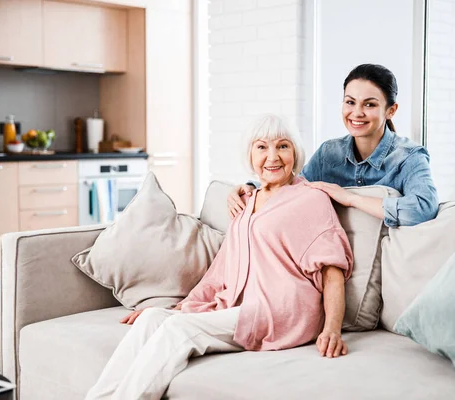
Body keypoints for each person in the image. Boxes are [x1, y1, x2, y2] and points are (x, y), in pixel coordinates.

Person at [85, 114, 354, 400]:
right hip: (241, 306)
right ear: (250, 155)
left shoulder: (310, 198)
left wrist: (332, 329)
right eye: (262, 147)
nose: (273, 156)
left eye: (283, 146)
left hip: (281, 310)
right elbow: (221, 270)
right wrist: (181, 307)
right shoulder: (246, 202)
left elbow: (332, 271)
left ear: (295, 153)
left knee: (177, 330)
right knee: (152, 318)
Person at [228, 64, 439, 228]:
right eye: (350, 102)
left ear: (391, 110)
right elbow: (292, 188)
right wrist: (249, 188)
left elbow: (423, 209)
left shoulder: (409, 157)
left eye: (370, 104)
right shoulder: (329, 153)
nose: (357, 112)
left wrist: (350, 198)